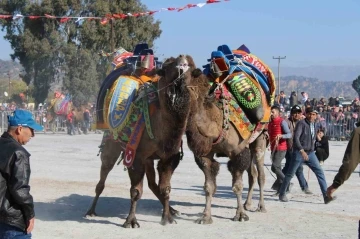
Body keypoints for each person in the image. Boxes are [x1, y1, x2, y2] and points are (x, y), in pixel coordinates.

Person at [0, 109, 44, 238]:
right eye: (31, 130)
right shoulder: (19, 153)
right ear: (20, 129)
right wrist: (30, 214)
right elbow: (20, 189)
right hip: (11, 221)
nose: (33, 135)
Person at [278, 107, 334, 204]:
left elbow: (313, 138)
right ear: (306, 114)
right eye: (310, 114)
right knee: (290, 173)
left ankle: (326, 196)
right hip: (299, 153)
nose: (311, 116)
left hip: (311, 153)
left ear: (316, 115)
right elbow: (296, 138)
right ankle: (282, 193)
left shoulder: (315, 125)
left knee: (320, 172)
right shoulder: (301, 124)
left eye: (313, 114)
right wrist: (301, 150)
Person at [272, 105, 312, 194]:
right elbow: (286, 134)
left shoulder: (302, 123)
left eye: (299, 113)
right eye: (295, 113)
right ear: (292, 114)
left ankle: (279, 186)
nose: (297, 115)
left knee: (290, 168)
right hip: (288, 149)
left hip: (298, 149)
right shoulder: (286, 122)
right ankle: (303, 187)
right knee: (296, 169)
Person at [327, 126, 360, 199]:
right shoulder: (358, 132)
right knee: (349, 165)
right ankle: (332, 188)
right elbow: (350, 161)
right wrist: (336, 184)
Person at [268, 105, 292, 194]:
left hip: (281, 148)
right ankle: (281, 188)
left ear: (278, 113)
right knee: (276, 168)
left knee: (275, 167)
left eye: (273, 112)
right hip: (273, 148)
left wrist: (282, 136)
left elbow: (289, 134)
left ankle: (287, 182)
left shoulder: (282, 122)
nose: (271, 114)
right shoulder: (270, 123)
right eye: (270, 112)